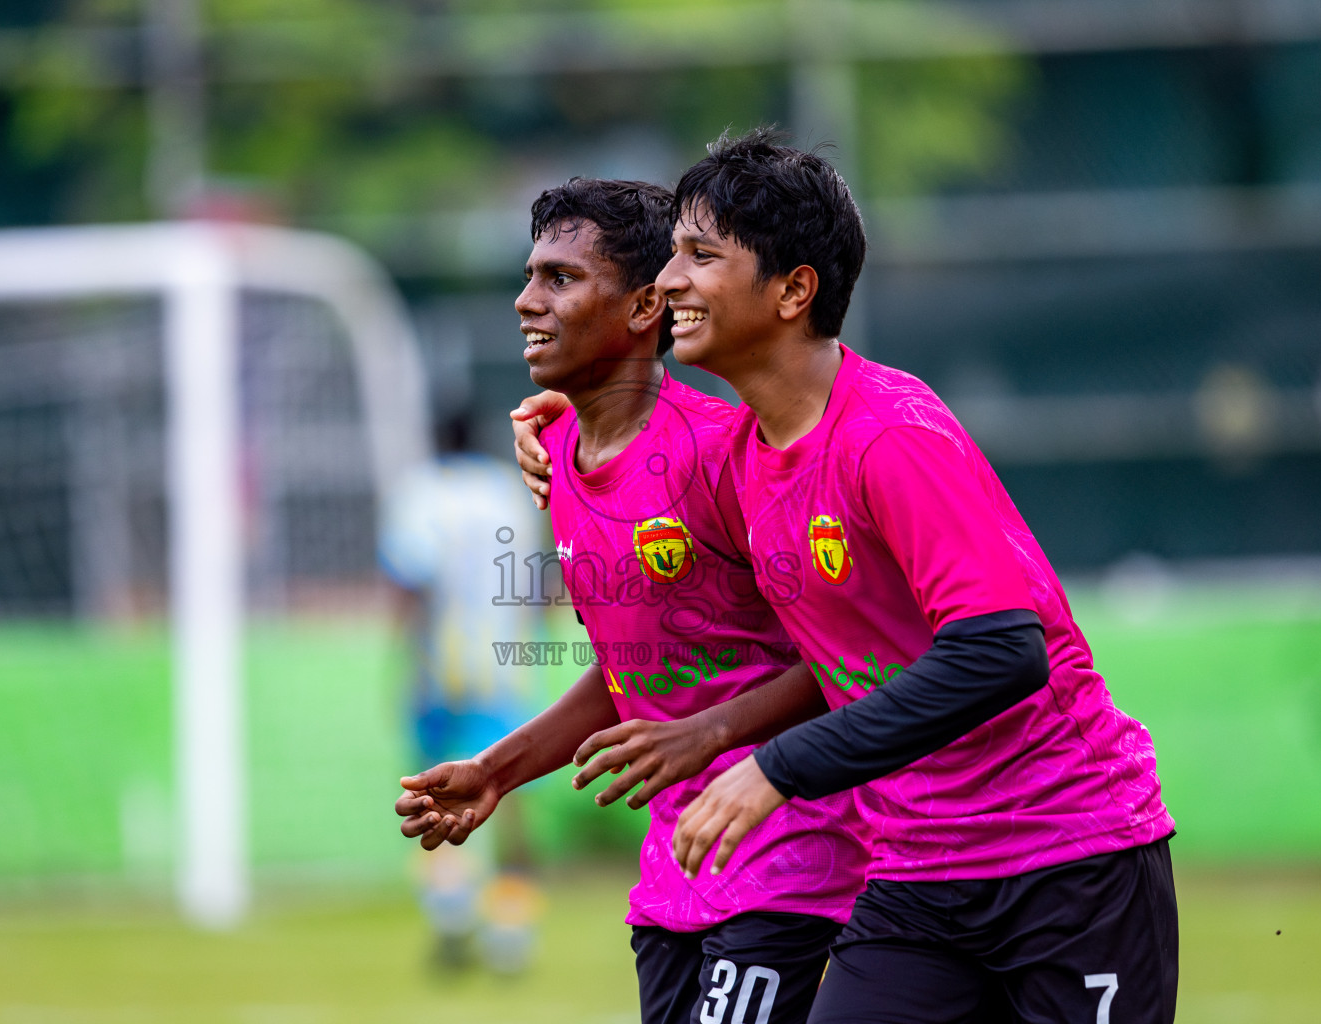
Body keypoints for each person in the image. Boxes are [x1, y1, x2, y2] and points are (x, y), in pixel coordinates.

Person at [515, 133, 1178, 1023]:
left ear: (793, 291)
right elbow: (658, 495)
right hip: (916, 874)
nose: (669, 281)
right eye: (672, 253)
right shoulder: (743, 458)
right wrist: (565, 429)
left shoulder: (890, 434)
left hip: (1069, 857)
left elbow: (1001, 652)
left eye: (700, 256)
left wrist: (775, 769)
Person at [397, 177, 869, 1024]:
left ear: (647, 306)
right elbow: (631, 672)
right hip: (675, 879)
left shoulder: (726, 454)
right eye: (530, 274)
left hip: (791, 856)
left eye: (561, 279)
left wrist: (713, 734)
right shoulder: (561, 463)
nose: (525, 301)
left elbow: (839, 658)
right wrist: (497, 773)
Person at [381, 412, 545, 971]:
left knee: (433, 791)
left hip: (442, 672)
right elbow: (536, 582)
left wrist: (400, 664)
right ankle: (512, 929)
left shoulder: (423, 493)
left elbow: (413, 581)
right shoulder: (508, 493)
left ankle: (450, 913)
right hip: (504, 668)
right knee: (511, 797)